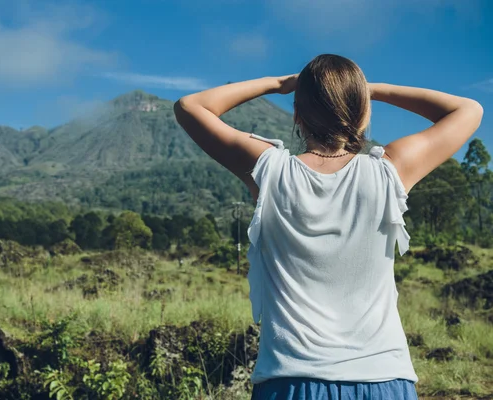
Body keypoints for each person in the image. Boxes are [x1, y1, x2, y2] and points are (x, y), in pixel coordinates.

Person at [174, 54, 483, 399]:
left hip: (290, 379)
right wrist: (370, 91)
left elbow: (190, 106)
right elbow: (469, 110)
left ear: (297, 115)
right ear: (363, 113)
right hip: (383, 378)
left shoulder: (269, 171)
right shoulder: (389, 171)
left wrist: (279, 84)